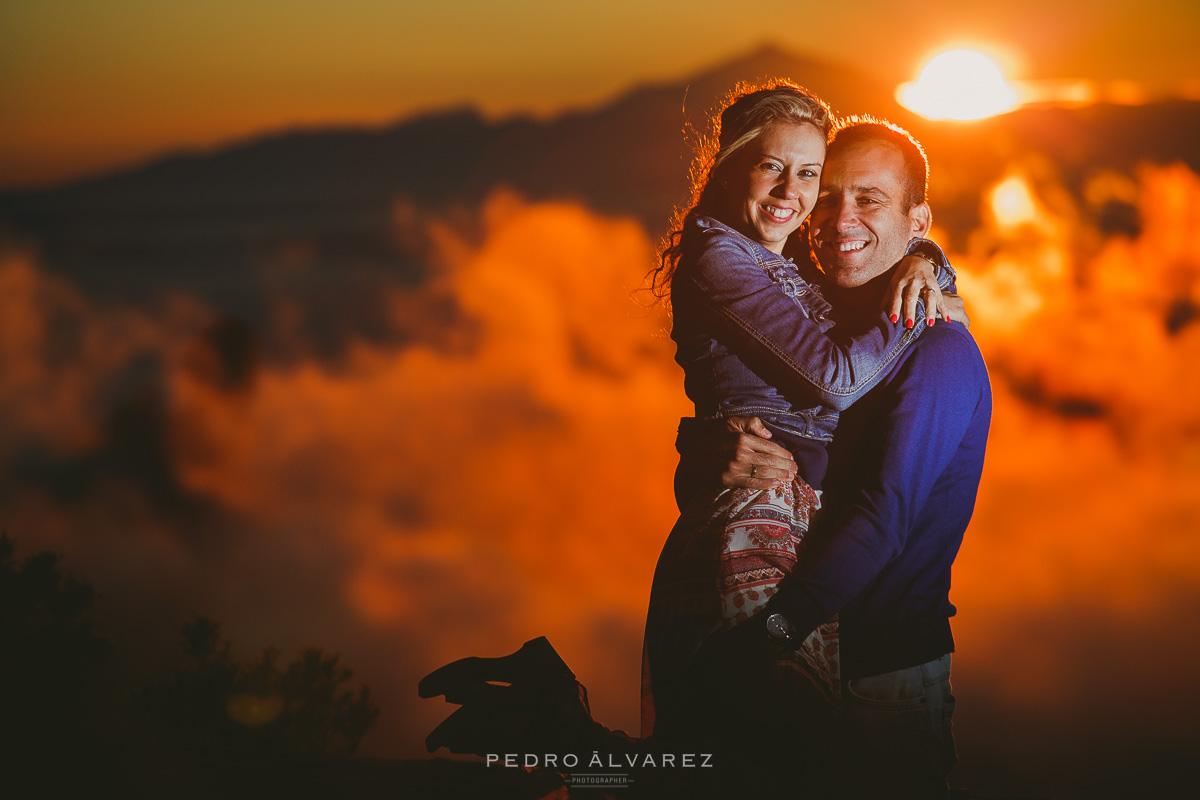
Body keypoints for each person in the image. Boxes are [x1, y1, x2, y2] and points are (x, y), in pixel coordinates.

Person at [640, 82, 966, 793]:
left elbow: (883, 516)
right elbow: (821, 384)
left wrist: (929, 262)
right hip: (797, 591)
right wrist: (701, 448)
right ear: (731, 168)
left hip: (883, 661)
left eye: (812, 176)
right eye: (774, 168)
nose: (814, 204)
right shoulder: (759, 265)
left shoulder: (934, 348)